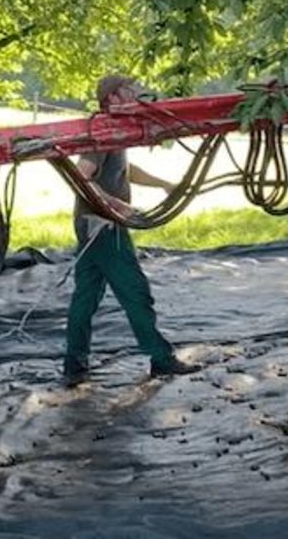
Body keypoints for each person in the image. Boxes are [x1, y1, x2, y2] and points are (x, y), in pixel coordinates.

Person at [62, 74, 200, 386]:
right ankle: (161, 359)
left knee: (86, 295)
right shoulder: (98, 132)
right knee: (135, 290)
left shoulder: (113, 132)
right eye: (127, 89)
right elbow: (82, 176)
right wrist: (114, 205)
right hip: (102, 226)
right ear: (111, 97)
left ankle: (74, 362)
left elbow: (125, 170)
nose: (134, 93)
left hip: (93, 225)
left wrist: (165, 184)